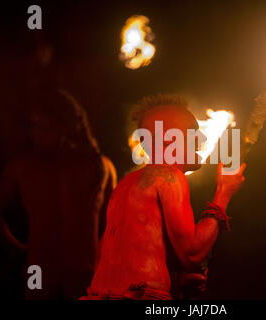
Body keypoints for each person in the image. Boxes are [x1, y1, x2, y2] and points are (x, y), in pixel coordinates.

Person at [82, 94, 246, 300]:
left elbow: (133, 256)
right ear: (169, 138)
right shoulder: (168, 175)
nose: (202, 138)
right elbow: (192, 253)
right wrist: (223, 192)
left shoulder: (125, 185)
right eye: (193, 131)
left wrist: (178, 280)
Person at [0, 89, 117, 299]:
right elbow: (115, 225)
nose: (34, 133)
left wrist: (17, 249)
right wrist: (17, 248)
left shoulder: (24, 167)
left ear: (65, 127)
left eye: (43, 126)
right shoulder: (101, 166)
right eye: (33, 125)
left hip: (57, 269)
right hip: (75, 270)